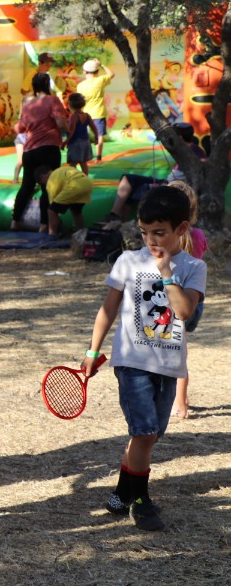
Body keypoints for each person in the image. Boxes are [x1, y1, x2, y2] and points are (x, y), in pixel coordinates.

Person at [81, 186, 206, 531]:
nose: (151, 241)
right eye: (144, 232)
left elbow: (183, 311)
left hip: (168, 367)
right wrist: (93, 350)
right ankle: (141, 500)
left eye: (159, 233)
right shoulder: (128, 261)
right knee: (145, 431)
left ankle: (122, 492)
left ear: (181, 229)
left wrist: (167, 274)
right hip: (131, 362)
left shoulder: (194, 268)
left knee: (148, 436)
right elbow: (107, 309)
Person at [104, 123, 206, 224]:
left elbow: (203, 165)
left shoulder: (194, 151)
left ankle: (119, 219)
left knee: (133, 186)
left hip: (171, 185)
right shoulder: (183, 149)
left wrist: (167, 186)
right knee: (128, 179)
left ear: (179, 138)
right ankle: (116, 216)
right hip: (168, 182)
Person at [166, 181, 207, 419]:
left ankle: (180, 406)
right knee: (181, 350)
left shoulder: (173, 239)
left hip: (177, 302)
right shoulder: (199, 235)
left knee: (177, 355)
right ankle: (183, 398)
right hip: (196, 301)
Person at [11, 72, 68, 232]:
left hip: (30, 150)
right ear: (47, 85)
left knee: (26, 186)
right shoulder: (52, 100)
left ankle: (14, 221)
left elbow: (20, 128)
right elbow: (61, 123)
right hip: (48, 148)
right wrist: (67, 131)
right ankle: (44, 224)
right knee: (48, 187)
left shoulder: (28, 104)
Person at [34, 165, 93, 238]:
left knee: (51, 210)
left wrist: (53, 221)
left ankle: (52, 235)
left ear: (42, 177)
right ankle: (81, 232)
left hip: (74, 186)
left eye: (42, 183)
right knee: (76, 211)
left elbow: (53, 209)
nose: (44, 184)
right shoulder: (61, 170)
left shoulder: (51, 181)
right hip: (87, 183)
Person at [76, 59, 114, 162]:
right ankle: (98, 158)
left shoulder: (80, 85)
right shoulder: (100, 80)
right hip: (98, 113)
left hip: (85, 113)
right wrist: (101, 64)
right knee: (99, 135)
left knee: (84, 136)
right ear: (97, 72)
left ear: (84, 72)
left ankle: (85, 157)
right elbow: (111, 74)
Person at [64, 92, 99, 176]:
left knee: (73, 164)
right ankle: (85, 178)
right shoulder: (86, 115)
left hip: (76, 143)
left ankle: (74, 179)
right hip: (85, 142)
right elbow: (94, 128)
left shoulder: (73, 116)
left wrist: (65, 142)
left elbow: (71, 131)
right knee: (83, 163)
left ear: (70, 105)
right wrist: (96, 137)